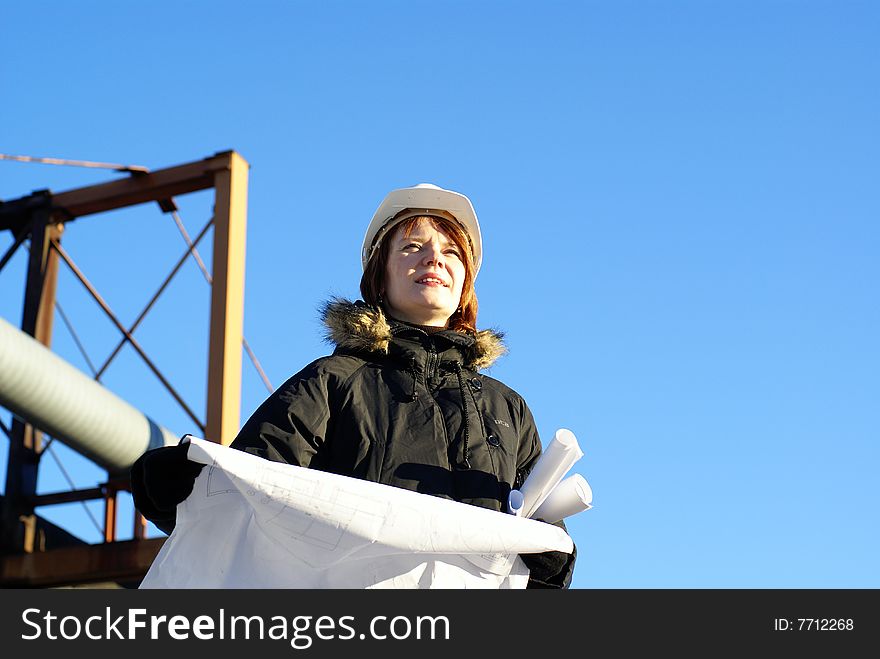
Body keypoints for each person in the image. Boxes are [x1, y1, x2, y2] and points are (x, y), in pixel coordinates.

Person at [131, 183, 576, 588]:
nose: (434, 259)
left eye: (451, 252)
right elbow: (256, 485)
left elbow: (540, 559)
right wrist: (185, 485)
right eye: (412, 247)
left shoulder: (507, 409)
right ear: (379, 278)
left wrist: (554, 551)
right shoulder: (334, 380)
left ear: (465, 286)